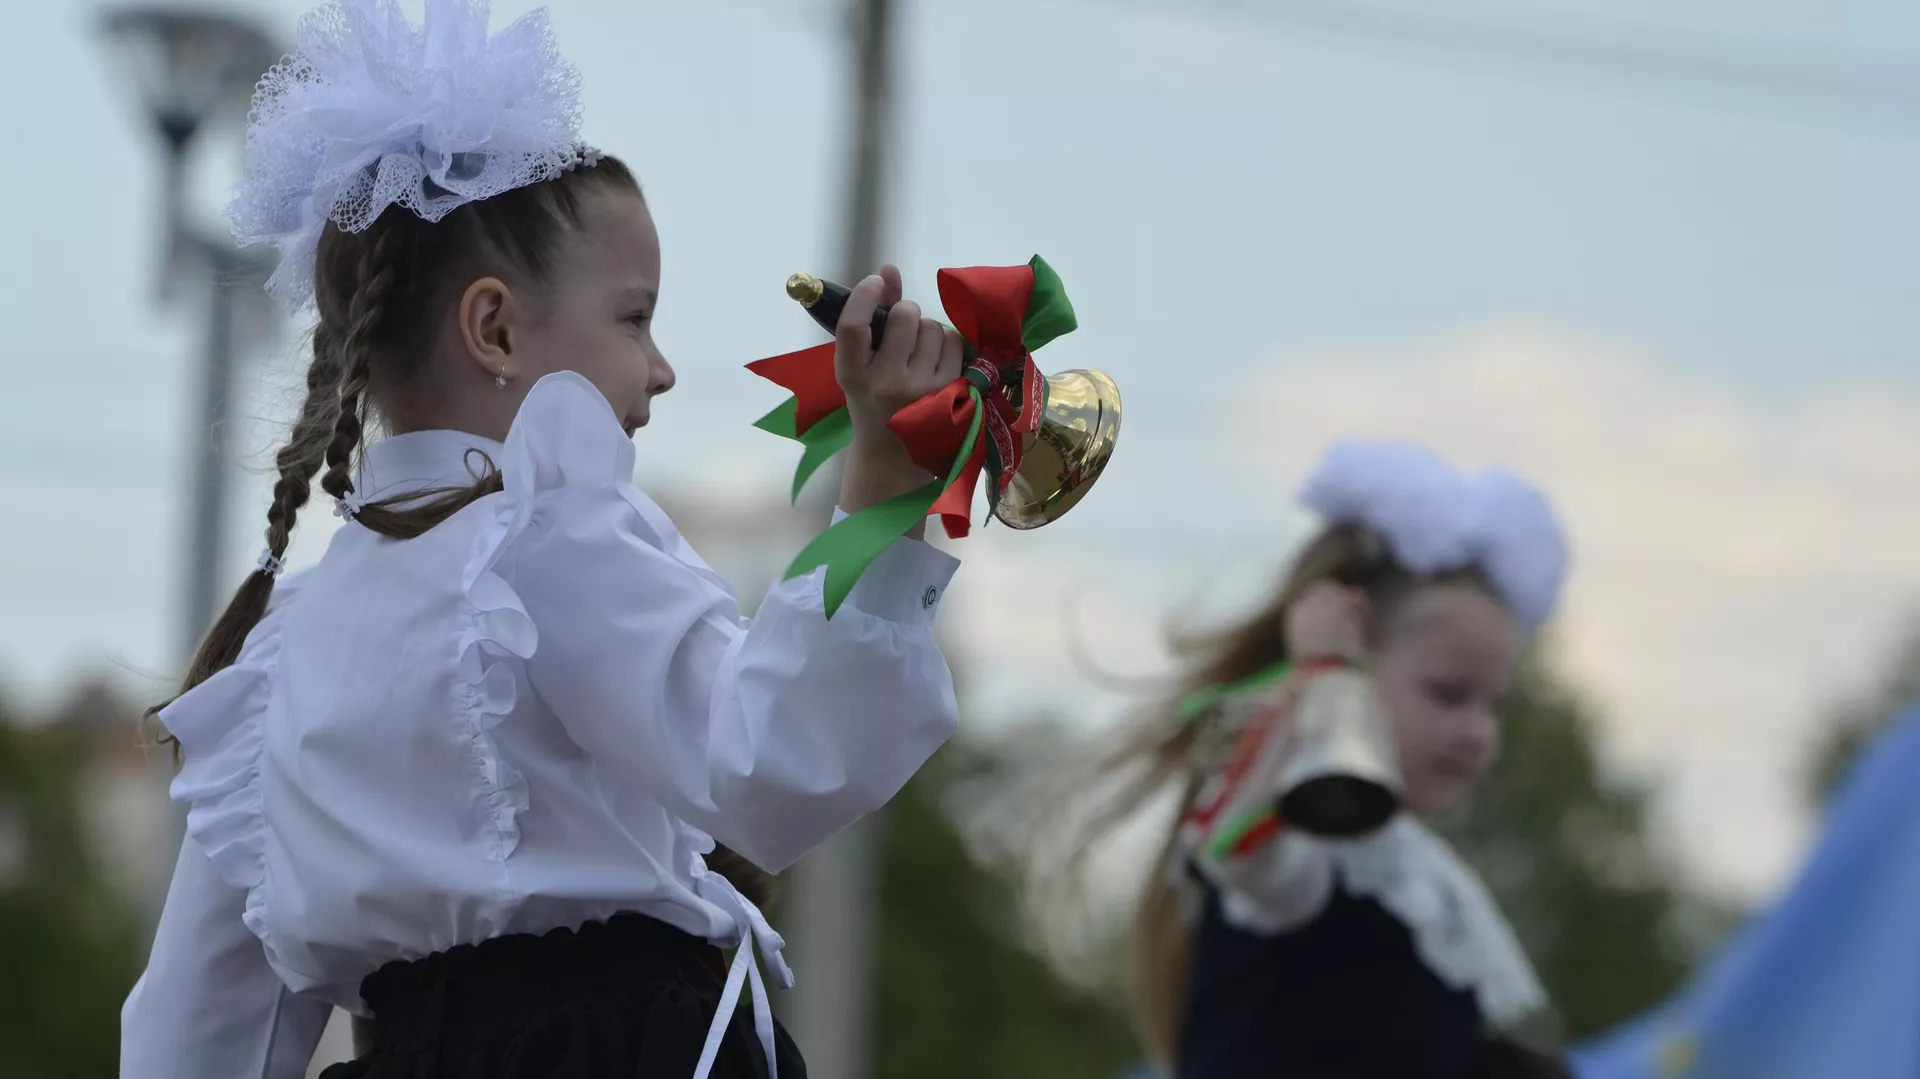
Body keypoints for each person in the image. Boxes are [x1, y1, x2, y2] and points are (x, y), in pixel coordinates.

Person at [118, 2, 966, 1077]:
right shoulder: (551, 544)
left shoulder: (273, 660)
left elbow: (195, 1032)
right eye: (633, 316)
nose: (659, 368)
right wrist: (884, 492)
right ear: (497, 329)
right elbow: (768, 758)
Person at [1063, 441, 1574, 1079]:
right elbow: (1245, 851)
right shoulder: (1299, 837)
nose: (1477, 731)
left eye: (1496, 706)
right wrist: (1321, 683)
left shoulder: (1419, 880)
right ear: (1353, 664)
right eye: (1448, 693)